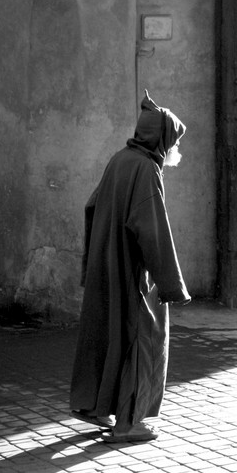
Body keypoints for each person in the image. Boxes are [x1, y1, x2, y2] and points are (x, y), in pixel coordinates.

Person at [70, 90, 191, 443]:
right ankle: (129, 424)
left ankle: (93, 406)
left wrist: (93, 262)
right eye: (175, 143)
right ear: (162, 141)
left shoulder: (120, 159)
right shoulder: (147, 169)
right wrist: (170, 283)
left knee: (110, 335)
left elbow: (92, 207)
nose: (176, 152)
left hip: (107, 266)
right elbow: (152, 230)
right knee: (144, 338)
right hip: (134, 272)